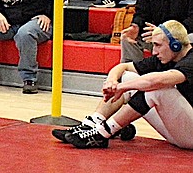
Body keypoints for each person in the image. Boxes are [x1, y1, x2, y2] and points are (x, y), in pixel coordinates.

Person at [52, 20, 193, 150]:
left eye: (157, 45)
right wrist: (112, 81)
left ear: (176, 45)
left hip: (190, 136)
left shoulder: (190, 60)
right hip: (181, 130)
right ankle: (92, 124)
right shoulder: (166, 57)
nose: (154, 51)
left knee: (156, 89)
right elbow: (123, 67)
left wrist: (123, 87)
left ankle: (103, 133)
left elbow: (158, 81)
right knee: (127, 77)